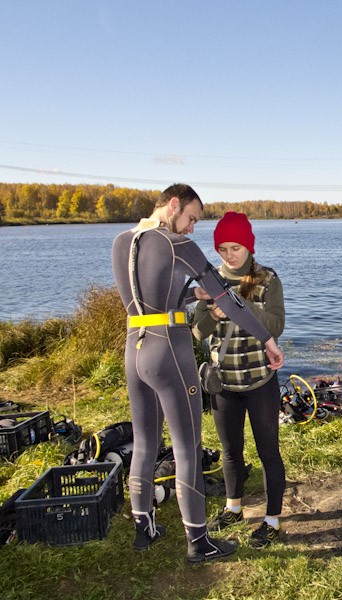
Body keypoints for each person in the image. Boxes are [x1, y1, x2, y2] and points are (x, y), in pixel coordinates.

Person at [111, 184, 284, 563]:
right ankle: (199, 542)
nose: (191, 228)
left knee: (144, 443)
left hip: (134, 347)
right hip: (168, 351)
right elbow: (230, 301)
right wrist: (268, 340)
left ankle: (145, 528)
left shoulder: (123, 241)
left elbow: (146, 299)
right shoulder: (176, 245)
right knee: (186, 447)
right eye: (191, 218)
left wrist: (192, 297)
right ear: (173, 205)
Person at [192, 212, 286, 549]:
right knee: (231, 453)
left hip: (261, 383)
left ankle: (272, 520)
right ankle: (233, 508)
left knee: (268, 453)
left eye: (236, 247)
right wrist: (212, 310)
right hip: (224, 385)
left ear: (249, 246)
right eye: (223, 249)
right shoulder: (209, 282)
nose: (230, 255)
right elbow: (198, 333)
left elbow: (275, 326)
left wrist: (239, 305)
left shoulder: (268, 279)